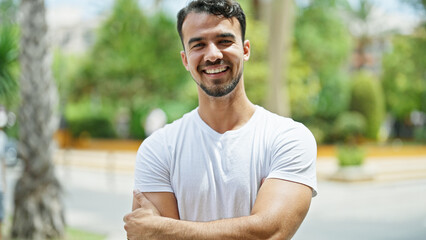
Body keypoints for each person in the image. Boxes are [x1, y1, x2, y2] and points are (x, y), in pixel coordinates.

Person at [123, 0, 317, 239]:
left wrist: (164, 229)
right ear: (185, 59)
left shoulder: (288, 138)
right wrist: (250, 227)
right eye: (198, 45)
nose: (213, 55)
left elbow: (270, 233)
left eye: (224, 41)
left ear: (245, 50)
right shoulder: (158, 149)